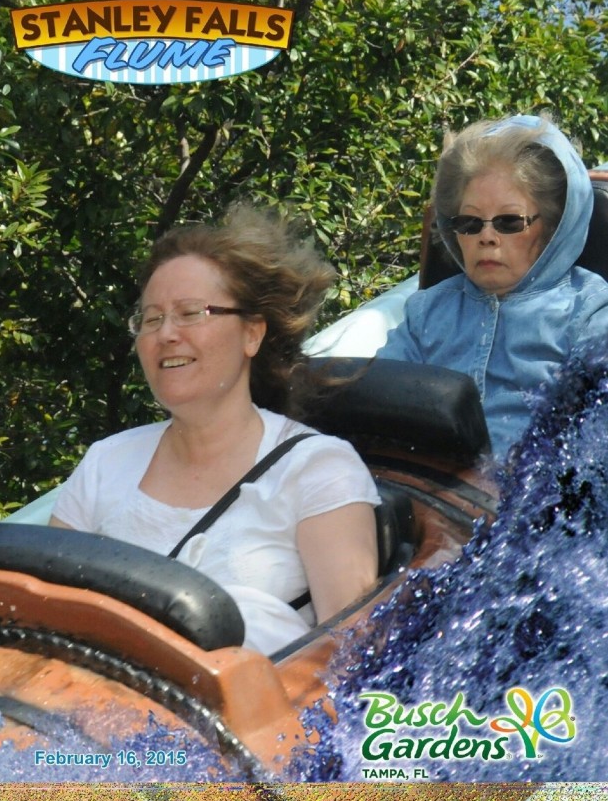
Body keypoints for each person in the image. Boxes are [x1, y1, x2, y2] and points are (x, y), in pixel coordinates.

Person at [49, 205, 379, 655]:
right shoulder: (106, 462)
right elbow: (38, 616)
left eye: (190, 313)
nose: (166, 333)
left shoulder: (320, 470)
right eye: (150, 318)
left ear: (252, 335)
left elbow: (350, 659)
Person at [377, 114, 608, 460]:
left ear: (552, 228)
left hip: (536, 502)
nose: (487, 237)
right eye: (470, 223)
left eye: (509, 222)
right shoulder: (426, 310)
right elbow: (377, 400)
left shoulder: (590, 311)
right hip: (425, 488)